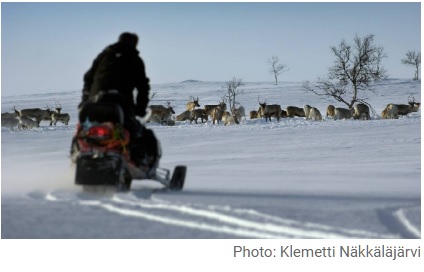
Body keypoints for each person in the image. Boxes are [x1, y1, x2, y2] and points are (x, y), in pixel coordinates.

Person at [78, 32, 159, 168]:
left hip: (94, 104)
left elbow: (88, 77)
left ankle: (76, 155)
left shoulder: (103, 56)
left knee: (84, 130)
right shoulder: (134, 59)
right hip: (120, 105)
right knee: (138, 133)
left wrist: (86, 100)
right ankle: (141, 162)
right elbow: (142, 86)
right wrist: (140, 109)